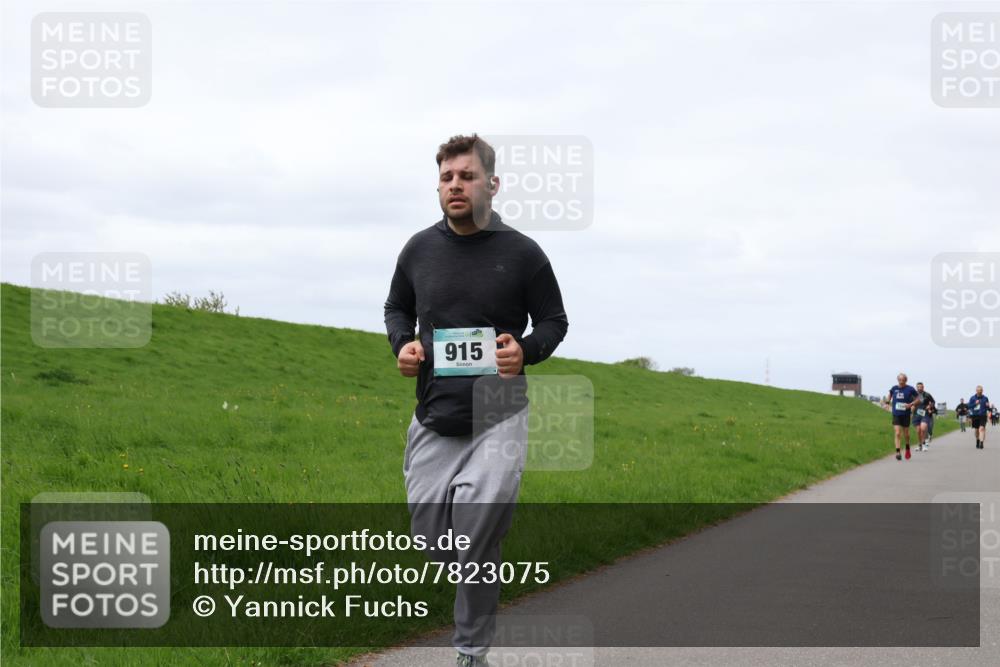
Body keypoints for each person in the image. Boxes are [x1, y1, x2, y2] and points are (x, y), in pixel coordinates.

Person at [384, 134, 569, 667]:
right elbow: (397, 307)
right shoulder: (418, 249)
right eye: (446, 177)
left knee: (477, 535)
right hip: (434, 414)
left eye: (466, 176)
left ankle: (470, 651)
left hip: (498, 413)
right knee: (432, 540)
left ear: (492, 183)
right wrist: (403, 344)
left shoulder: (523, 253)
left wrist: (525, 350)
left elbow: (554, 320)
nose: (455, 185)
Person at [886, 373, 920, 460]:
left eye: (903, 380)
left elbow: (918, 399)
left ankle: (907, 447)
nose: (901, 382)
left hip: (906, 414)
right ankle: (898, 452)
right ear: (898, 380)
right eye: (900, 380)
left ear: (906, 380)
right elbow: (889, 394)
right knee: (897, 433)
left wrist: (911, 404)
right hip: (896, 414)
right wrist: (887, 403)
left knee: (906, 434)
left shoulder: (910, 389)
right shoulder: (894, 388)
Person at [912, 382, 936, 451]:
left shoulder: (927, 395)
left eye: (921, 387)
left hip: (924, 414)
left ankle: (924, 444)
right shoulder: (913, 395)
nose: (919, 388)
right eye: (918, 387)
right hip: (916, 414)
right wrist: (911, 407)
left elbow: (933, 402)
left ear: (923, 387)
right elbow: (909, 403)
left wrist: (929, 406)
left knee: (923, 428)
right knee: (918, 431)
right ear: (916, 387)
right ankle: (920, 445)